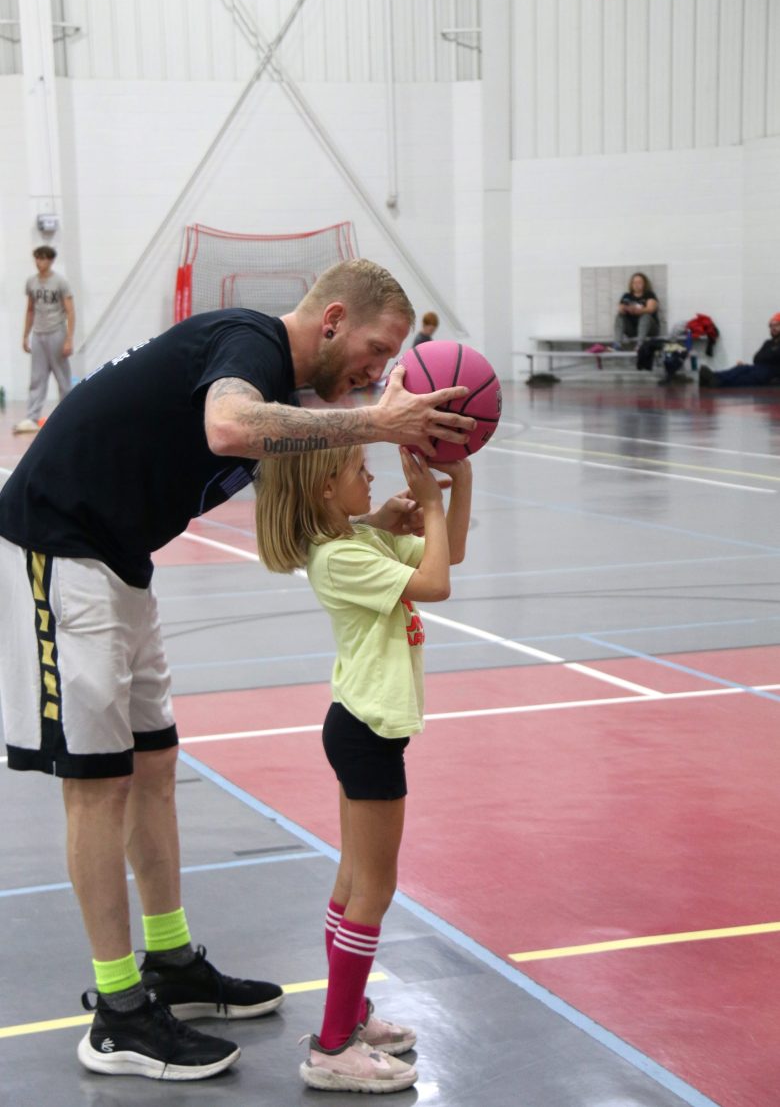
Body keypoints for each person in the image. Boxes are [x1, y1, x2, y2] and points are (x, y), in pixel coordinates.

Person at [0, 258, 474, 1083]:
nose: (376, 373)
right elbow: (229, 429)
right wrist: (375, 424)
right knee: (97, 781)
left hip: (118, 555)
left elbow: (307, 501)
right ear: (330, 320)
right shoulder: (251, 344)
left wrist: (409, 484)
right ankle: (117, 1014)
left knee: (154, 765)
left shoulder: (289, 394)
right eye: (374, 350)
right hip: (59, 543)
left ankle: (172, 963)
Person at [255, 441, 472, 1093]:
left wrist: (456, 484)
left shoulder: (356, 541)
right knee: (374, 890)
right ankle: (331, 1047)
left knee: (353, 882)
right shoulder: (344, 556)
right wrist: (430, 507)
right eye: (357, 470)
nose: (370, 473)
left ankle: (347, 1014)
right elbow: (436, 583)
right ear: (326, 488)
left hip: (359, 727)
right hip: (368, 734)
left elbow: (449, 553)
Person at [13, 245, 76, 434]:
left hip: (56, 331)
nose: (40, 262)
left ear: (51, 260)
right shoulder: (31, 282)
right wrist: (25, 335)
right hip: (38, 334)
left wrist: (69, 339)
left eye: (43, 259)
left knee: (63, 377)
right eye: (37, 258)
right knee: (37, 377)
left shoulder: (60, 282)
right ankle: (32, 417)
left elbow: (70, 311)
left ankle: (69, 413)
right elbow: (30, 309)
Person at [699, 314, 780, 388]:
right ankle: (714, 376)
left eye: (776, 325)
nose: (773, 328)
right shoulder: (768, 343)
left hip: (772, 373)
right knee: (741, 368)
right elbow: (756, 358)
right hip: (760, 367)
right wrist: (769, 355)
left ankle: (716, 380)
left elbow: (772, 358)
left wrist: (768, 356)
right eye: (771, 326)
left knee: (747, 377)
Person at [612, 272, 660, 349]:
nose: (636, 285)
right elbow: (620, 308)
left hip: (650, 329)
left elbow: (651, 309)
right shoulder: (626, 296)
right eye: (634, 282)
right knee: (619, 316)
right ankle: (617, 344)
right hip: (633, 329)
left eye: (639, 282)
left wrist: (638, 310)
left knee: (646, 316)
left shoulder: (649, 294)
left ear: (645, 284)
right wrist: (625, 309)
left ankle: (640, 344)